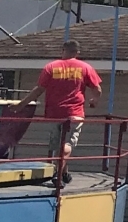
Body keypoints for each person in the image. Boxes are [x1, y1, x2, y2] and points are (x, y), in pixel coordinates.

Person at [32, 38, 103, 180]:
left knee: (58, 145)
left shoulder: (51, 67)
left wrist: (22, 104)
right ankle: (60, 174)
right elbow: (97, 89)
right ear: (77, 52)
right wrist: (94, 101)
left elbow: (39, 89)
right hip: (74, 113)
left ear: (63, 50)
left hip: (54, 113)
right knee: (67, 144)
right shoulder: (85, 67)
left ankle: (63, 173)